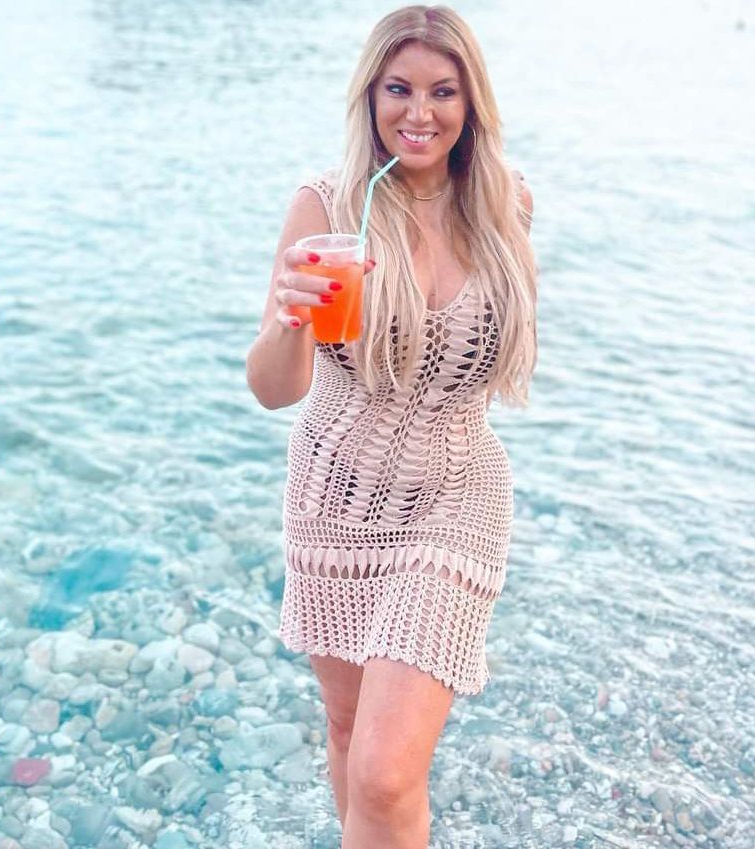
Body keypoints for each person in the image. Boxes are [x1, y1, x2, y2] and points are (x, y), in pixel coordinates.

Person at [245, 5, 536, 848]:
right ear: (370, 96)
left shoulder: (505, 204)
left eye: (443, 91)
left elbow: (488, 361)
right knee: (346, 729)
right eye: (399, 89)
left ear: (470, 103)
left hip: (457, 496)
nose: (420, 112)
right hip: (335, 496)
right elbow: (273, 389)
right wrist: (289, 320)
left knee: (384, 770)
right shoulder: (328, 206)